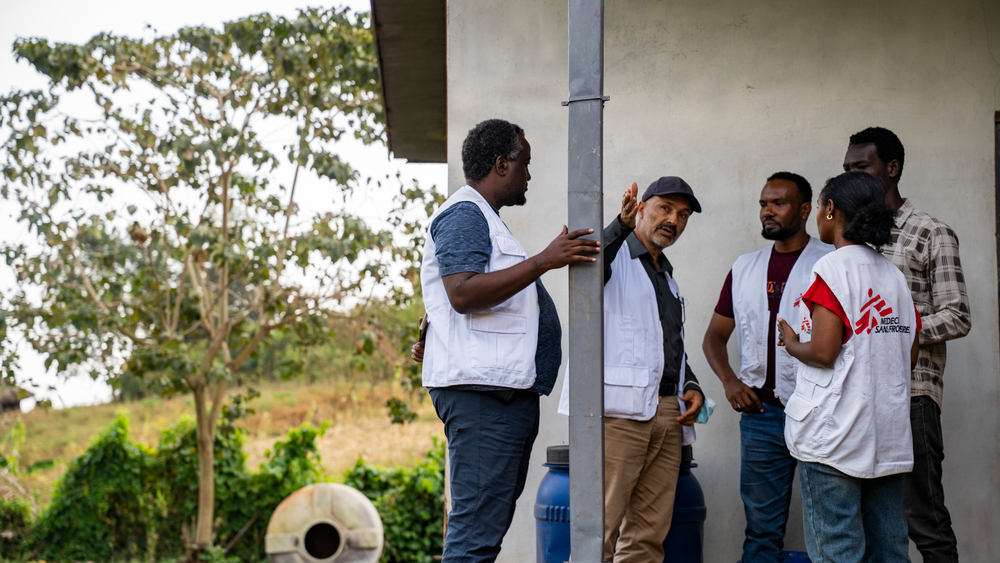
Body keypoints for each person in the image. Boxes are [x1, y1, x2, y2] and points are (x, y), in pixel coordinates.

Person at [419, 118, 600, 563]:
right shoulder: (464, 214)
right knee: (473, 539)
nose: (529, 176)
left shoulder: (486, 221)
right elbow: (461, 292)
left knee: (484, 533)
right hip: (484, 401)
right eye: (525, 165)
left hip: (501, 398)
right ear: (501, 164)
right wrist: (542, 261)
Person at [558, 177, 705, 563]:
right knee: (597, 533)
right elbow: (588, 264)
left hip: (668, 414)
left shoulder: (666, 275)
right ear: (640, 209)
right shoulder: (614, 254)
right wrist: (618, 227)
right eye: (665, 208)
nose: (674, 219)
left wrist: (690, 383)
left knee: (647, 538)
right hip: (618, 414)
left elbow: (669, 344)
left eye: (683, 215)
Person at [776, 171, 920, 563]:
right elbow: (908, 353)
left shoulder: (831, 269)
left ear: (830, 210)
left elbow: (824, 352)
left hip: (834, 438)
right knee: (889, 548)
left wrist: (792, 345)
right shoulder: (893, 276)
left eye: (820, 206)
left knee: (838, 548)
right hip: (885, 437)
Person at [844, 127, 970, 563]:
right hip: (859, 397)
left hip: (913, 394)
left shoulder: (930, 232)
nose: (853, 177)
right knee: (872, 520)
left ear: (891, 169)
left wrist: (899, 332)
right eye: (847, 170)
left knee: (923, 519)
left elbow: (958, 315)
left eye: (862, 167)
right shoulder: (851, 237)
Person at [702, 172, 832, 562]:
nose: (767, 212)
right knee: (761, 531)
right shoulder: (745, 267)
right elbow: (713, 337)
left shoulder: (831, 263)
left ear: (805, 209)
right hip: (761, 416)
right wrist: (729, 381)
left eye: (779, 203)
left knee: (829, 526)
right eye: (763, 203)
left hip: (820, 413)